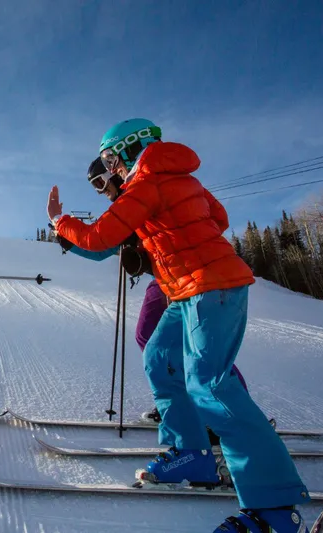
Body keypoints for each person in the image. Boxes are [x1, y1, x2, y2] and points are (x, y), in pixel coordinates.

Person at [48, 119, 310, 532]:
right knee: (159, 356)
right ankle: (194, 455)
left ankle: (274, 510)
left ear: (131, 149)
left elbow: (99, 238)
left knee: (209, 385)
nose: (112, 170)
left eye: (112, 160)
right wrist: (162, 239)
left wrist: (60, 221)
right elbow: (217, 218)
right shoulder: (176, 180)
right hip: (186, 288)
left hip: (210, 285)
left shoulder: (146, 181)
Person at [54, 157, 249, 432]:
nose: (101, 191)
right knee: (148, 335)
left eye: (100, 183)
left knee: (204, 350)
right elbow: (102, 249)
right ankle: (182, 402)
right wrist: (68, 241)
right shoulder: (124, 209)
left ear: (116, 174)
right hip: (163, 281)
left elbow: (204, 222)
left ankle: (232, 410)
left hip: (189, 276)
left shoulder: (145, 193)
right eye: (95, 187)